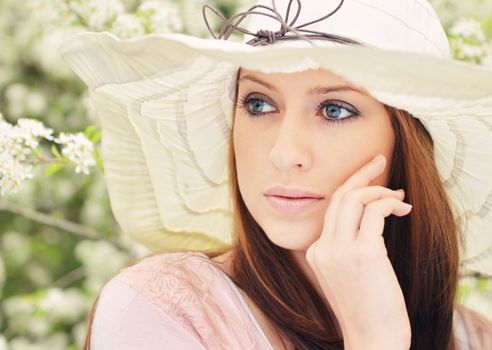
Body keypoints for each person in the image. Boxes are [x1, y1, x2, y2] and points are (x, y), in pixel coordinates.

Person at [60, 0, 492, 349]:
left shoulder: (474, 338)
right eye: (258, 104)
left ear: (408, 144)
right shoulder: (162, 311)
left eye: (335, 109)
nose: (285, 154)